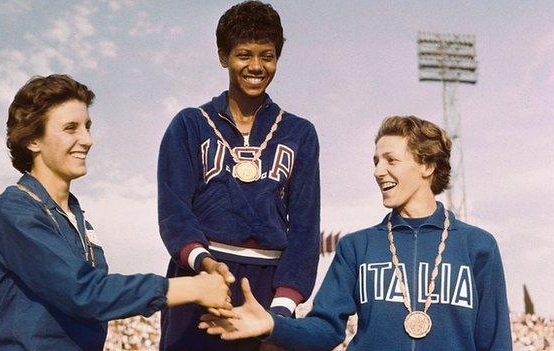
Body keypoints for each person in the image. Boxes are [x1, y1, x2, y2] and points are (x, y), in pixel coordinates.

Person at [200, 116, 512, 351]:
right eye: (376, 161)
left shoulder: (477, 246)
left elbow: (495, 340)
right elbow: (325, 329)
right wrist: (272, 324)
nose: (378, 171)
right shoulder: (357, 247)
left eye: (391, 160)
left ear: (427, 166)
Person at [0, 74, 232, 350]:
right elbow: (84, 292)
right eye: (70, 128)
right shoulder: (14, 210)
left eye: (87, 127)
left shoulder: (76, 216)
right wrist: (192, 288)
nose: (87, 140)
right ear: (32, 140)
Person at [157, 1, 320, 350]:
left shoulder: (300, 133)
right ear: (223, 56)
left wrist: (281, 311)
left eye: (268, 55)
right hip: (201, 278)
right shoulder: (189, 124)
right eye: (244, 54)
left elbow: (306, 228)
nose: (257, 66)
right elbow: (174, 212)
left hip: (267, 286)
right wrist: (203, 263)